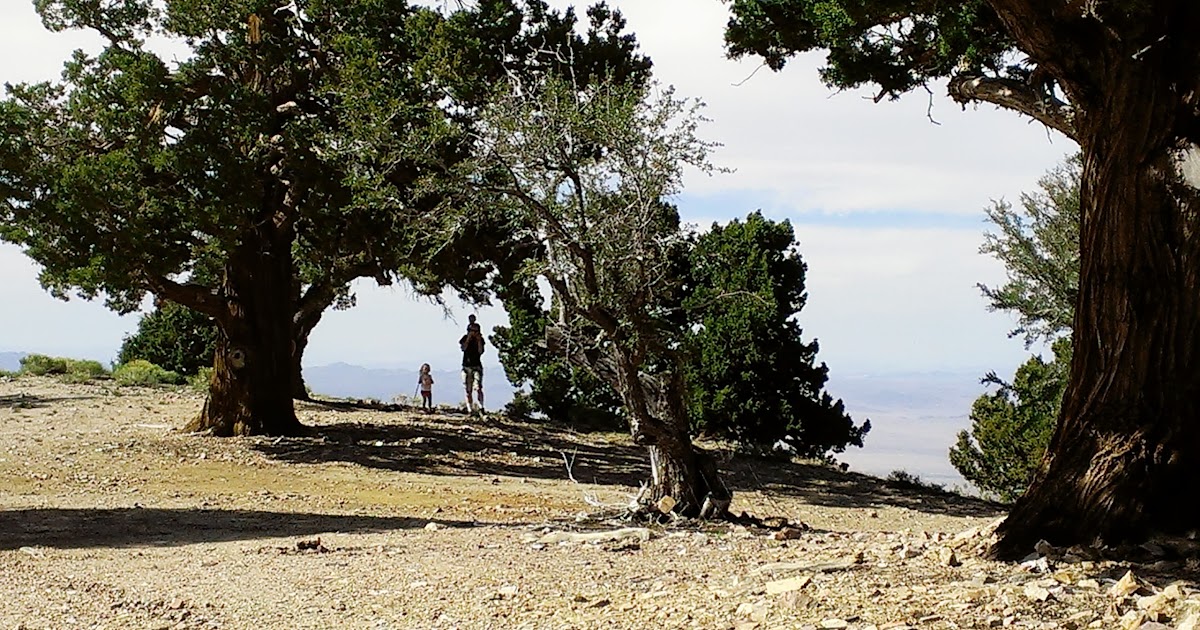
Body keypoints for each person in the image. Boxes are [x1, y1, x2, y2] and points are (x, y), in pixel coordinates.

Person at [459, 316, 485, 414]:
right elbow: (463, 348)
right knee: (467, 389)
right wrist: (468, 338)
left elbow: (480, 351)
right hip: (466, 366)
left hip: (476, 366)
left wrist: (478, 340)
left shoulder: (481, 340)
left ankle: (481, 407)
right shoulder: (465, 338)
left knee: (478, 387)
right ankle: (470, 409)